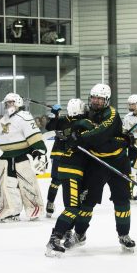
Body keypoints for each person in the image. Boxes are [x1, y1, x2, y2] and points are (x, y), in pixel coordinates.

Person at [46, 84, 135, 256]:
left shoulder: (112, 114)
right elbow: (69, 123)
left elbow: (100, 134)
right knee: (87, 201)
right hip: (96, 163)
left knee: (122, 200)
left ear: (107, 100)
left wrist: (80, 137)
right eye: (94, 97)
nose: (96, 101)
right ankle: (79, 234)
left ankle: (124, 234)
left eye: (100, 99)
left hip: (118, 161)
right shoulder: (87, 113)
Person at [45, 98, 95, 255]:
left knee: (76, 207)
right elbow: (53, 128)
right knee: (73, 207)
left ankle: (67, 230)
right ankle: (55, 238)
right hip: (72, 168)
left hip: (75, 169)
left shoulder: (83, 123)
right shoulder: (84, 123)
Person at [0, 93, 47, 222]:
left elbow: (34, 136)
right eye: (7, 103)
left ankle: (34, 208)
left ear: (18, 103)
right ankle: (11, 209)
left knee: (27, 183)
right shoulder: (3, 119)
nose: (8, 105)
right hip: (5, 157)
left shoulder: (25, 117)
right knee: (3, 185)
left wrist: (39, 152)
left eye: (11, 102)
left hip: (21, 156)